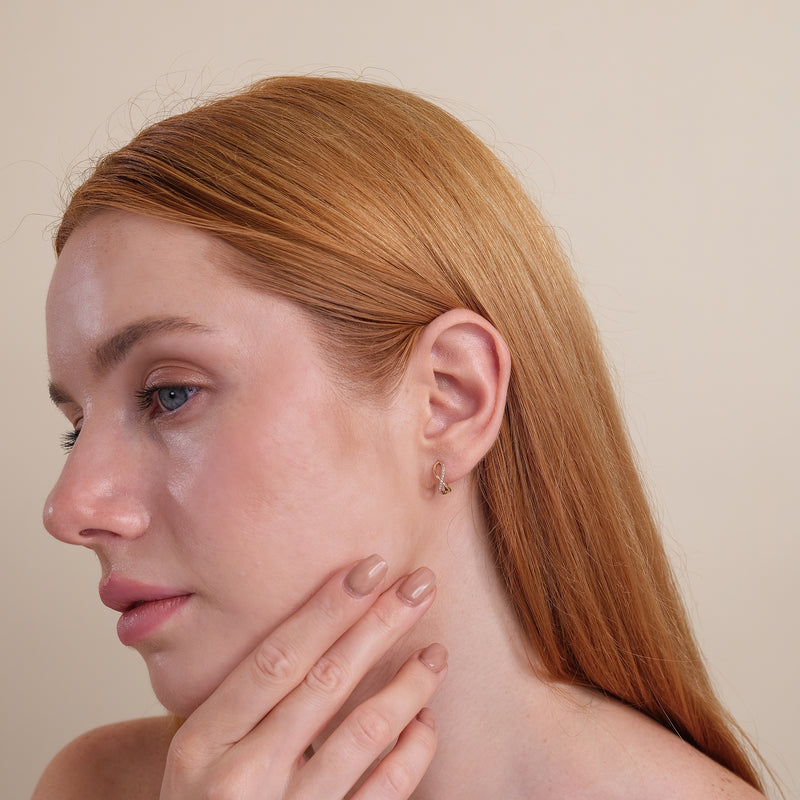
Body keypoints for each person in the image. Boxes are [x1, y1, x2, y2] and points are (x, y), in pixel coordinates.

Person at [32, 76, 768, 799]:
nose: (69, 510)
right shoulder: (98, 786)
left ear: (448, 399)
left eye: (170, 395)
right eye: (76, 430)